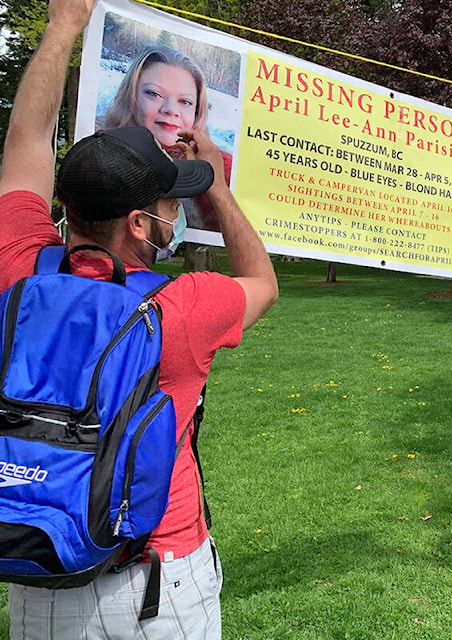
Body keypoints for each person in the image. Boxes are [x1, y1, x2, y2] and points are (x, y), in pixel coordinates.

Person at [0, 0, 278, 636]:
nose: (173, 214)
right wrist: (217, 186)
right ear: (139, 224)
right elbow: (261, 282)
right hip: (156, 581)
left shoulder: (16, 266)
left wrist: (62, 27)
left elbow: (25, 141)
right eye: (168, 204)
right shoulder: (180, 309)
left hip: (38, 573)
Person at [103, 45, 233, 232]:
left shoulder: (221, 168)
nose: (170, 109)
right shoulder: (100, 153)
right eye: (154, 94)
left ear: (197, 112)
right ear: (131, 98)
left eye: (185, 102)